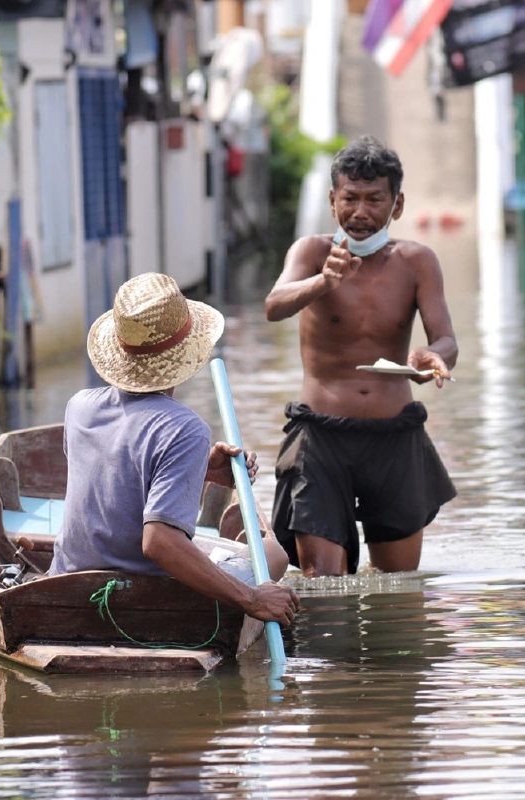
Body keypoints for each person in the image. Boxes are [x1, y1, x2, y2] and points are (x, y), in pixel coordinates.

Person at [49, 272, 300, 627]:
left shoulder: (79, 406)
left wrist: (203, 470)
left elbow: (119, 493)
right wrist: (253, 599)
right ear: (185, 352)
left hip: (69, 577)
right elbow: (159, 543)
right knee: (273, 554)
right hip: (144, 593)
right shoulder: (186, 428)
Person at [264, 135, 458, 577]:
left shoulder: (416, 261)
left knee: (397, 586)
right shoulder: (312, 252)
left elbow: (447, 339)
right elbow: (274, 305)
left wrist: (433, 355)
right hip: (321, 435)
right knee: (325, 585)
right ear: (333, 201)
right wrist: (321, 283)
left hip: (395, 435)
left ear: (398, 205)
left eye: (375, 200)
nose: (361, 212)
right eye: (350, 198)